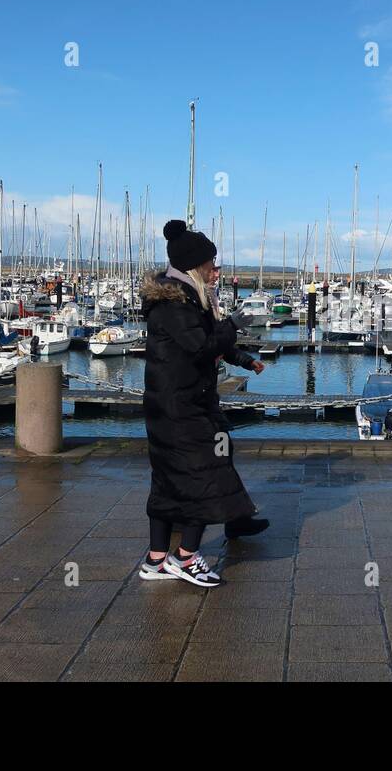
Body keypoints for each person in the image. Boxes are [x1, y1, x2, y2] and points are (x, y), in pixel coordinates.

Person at [137, 219, 268, 589]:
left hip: (172, 404)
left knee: (168, 482)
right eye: (212, 264)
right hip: (182, 406)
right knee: (203, 475)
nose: (217, 270)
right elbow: (201, 345)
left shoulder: (184, 297)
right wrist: (236, 322)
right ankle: (187, 557)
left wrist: (243, 359)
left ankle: (156, 559)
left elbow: (208, 339)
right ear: (195, 266)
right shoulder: (174, 303)